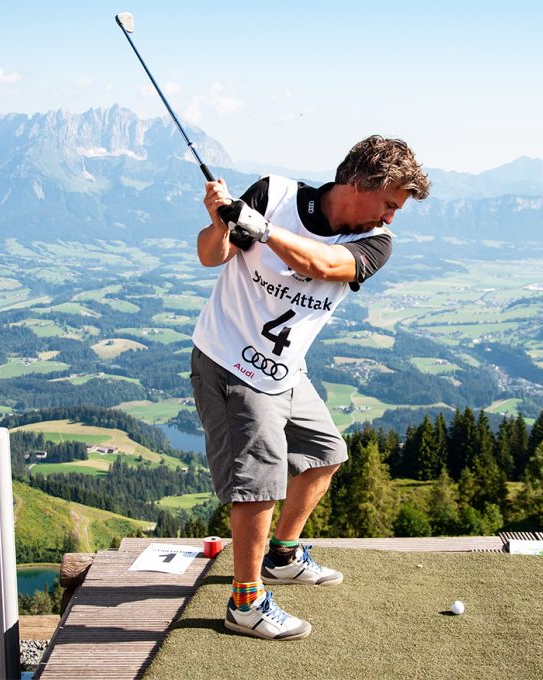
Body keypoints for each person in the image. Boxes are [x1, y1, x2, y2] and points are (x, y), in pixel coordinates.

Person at [189, 135, 430, 640]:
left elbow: (321, 265)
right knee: (259, 484)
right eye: (388, 204)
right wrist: (221, 224)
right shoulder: (273, 193)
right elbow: (211, 257)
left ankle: (281, 555)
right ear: (360, 183)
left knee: (325, 453)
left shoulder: (375, 243)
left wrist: (261, 229)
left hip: (284, 370)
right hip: (231, 360)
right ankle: (246, 603)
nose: (390, 218)